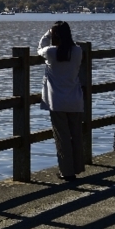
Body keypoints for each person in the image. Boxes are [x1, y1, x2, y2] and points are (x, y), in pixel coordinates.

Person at [38, 21, 85, 181]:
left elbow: (40, 48)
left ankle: (67, 172)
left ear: (55, 36)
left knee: (62, 137)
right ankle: (77, 167)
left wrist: (48, 33)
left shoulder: (51, 52)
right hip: (75, 100)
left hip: (57, 101)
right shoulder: (78, 51)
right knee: (76, 135)